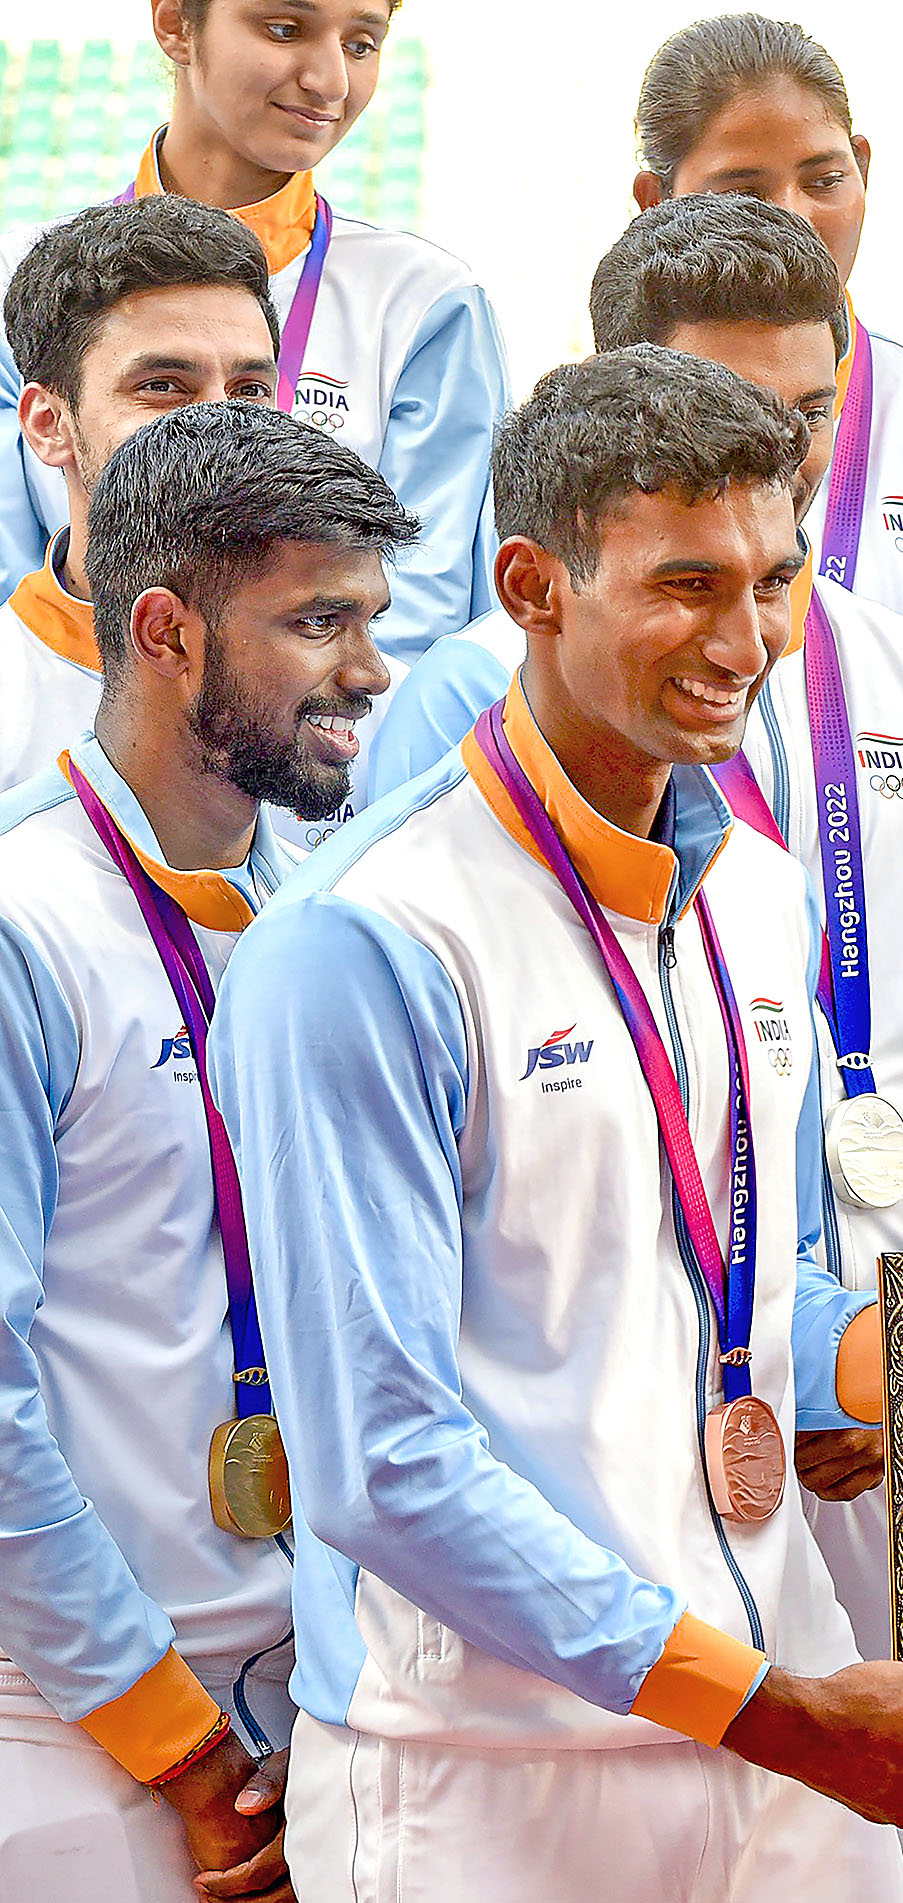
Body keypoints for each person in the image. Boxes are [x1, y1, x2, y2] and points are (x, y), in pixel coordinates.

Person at [207, 348, 903, 1903]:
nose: (744, 638)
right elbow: (381, 1465)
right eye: (685, 584)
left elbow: (735, 1296)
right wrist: (767, 1709)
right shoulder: (364, 945)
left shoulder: (754, 890)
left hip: (777, 1707)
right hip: (494, 1773)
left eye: (776, 579)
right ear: (532, 585)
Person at [0, 400, 413, 1903]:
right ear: (165, 630)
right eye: (317, 621)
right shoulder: (24, 922)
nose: (370, 669)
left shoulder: (344, 920)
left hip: (326, 1694)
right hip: (69, 1709)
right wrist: (179, 1746)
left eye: (373, 619)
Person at [0, 0, 509, 663]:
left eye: (362, 43)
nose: (329, 80)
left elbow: (419, 615)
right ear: (176, 23)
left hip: (335, 742)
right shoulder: (18, 280)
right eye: (285, 29)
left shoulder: (424, 304)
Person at [630, 12, 903, 673]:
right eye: (744, 190)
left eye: (825, 179)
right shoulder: (582, 443)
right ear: (655, 201)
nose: (795, 217)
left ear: (863, 167)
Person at [0, 196, 277, 791]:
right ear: (50, 425)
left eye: (249, 389)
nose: (220, 424)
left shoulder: (370, 695)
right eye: (163, 387)